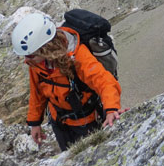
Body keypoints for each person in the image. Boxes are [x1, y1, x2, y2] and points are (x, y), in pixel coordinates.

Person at [11, 12, 123, 150]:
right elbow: (37, 92)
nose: (26, 60)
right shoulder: (36, 63)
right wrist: (35, 123)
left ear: (44, 48)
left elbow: (103, 80)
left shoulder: (78, 56)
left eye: (29, 55)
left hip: (86, 124)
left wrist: (111, 109)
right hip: (59, 123)